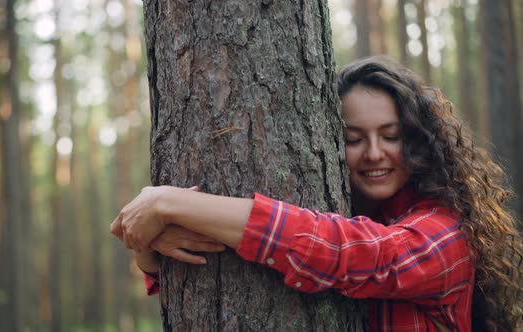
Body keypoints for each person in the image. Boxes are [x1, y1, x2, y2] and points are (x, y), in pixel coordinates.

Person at [110, 56, 523, 331]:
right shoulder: (352, 212)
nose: (375, 153)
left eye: (391, 135)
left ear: (417, 140)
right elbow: (210, 278)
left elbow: (355, 253)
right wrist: (150, 251)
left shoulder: (447, 235)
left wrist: (170, 203)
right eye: (354, 138)